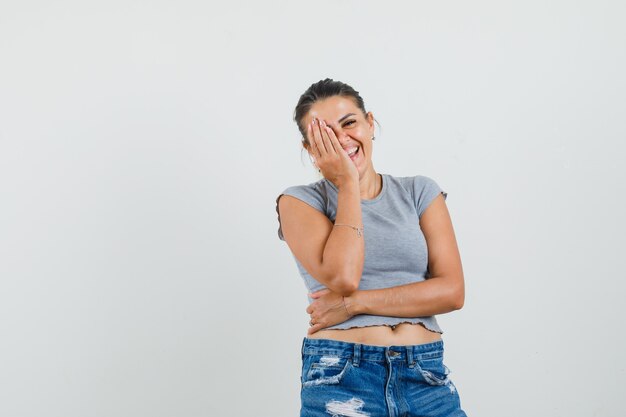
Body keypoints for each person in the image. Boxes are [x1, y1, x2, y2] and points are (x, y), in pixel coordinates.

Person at [275, 78, 468, 417]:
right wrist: (348, 182)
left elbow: (452, 292)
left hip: (425, 377)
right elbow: (344, 276)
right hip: (342, 378)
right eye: (325, 136)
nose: (342, 140)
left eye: (349, 123)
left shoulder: (419, 192)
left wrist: (355, 304)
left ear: (370, 123)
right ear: (310, 150)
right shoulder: (299, 202)